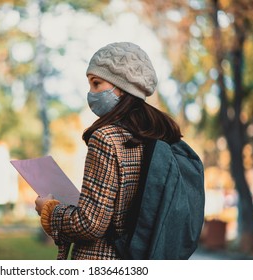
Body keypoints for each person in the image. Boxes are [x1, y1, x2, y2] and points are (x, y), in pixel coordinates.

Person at [35, 42, 182, 260]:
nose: (91, 93)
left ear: (122, 86)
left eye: (96, 84)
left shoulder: (106, 138)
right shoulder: (158, 137)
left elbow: (90, 224)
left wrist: (49, 209)